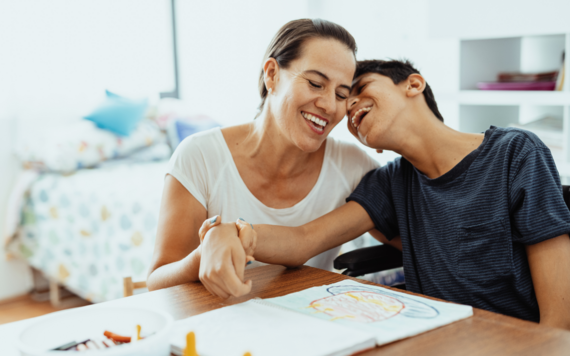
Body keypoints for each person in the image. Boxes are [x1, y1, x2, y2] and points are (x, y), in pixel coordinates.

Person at [199, 59, 570, 329]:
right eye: (348, 107)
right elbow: (302, 240)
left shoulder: (515, 153)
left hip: (517, 341)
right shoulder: (392, 182)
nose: (350, 106)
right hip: (435, 339)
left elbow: (558, 320)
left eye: (360, 89)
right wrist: (230, 232)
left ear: (413, 84)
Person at [146, 19, 383, 298]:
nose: (330, 105)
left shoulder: (353, 167)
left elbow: (413, 237)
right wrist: (205, 253)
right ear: (272, 74)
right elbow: (157, 282)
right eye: (316, 83)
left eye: (341, 94)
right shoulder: (200, 156)